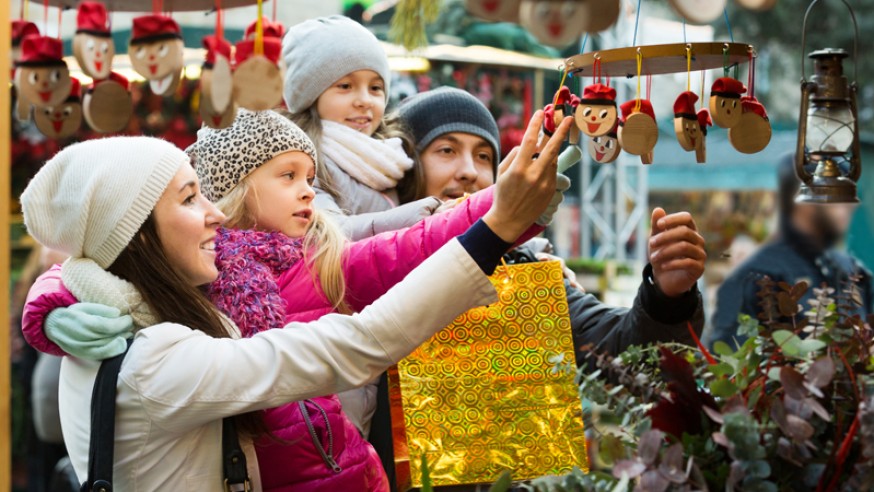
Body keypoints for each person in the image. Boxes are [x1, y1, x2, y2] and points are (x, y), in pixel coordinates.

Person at [18, 112, 570, 490]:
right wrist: (498, 224)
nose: (210, 212)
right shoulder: (157, 354)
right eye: (191, 199)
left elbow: (400, 243)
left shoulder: (137, 312)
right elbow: (358, 345)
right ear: (137, 236)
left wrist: (54, 303)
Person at [185, 108, 547, 490]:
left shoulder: (319, 263)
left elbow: (410, 247)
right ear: (236, 187)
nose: (308, 189)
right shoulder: (194, 280)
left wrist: (502, 203)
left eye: (309, 177)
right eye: (288, 176)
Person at [281, 15, 438, 241]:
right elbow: (328, 231)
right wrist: (416, 217)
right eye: (345, 86)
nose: (364, 100)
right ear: (308, 96)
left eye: (375, 87)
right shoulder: (302, 161)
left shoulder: (390, 157)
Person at [710, 153, 873, 349]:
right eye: (836, 191)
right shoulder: (753, 276)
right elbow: (729, 364)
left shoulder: (852, 269)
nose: (849, 204)